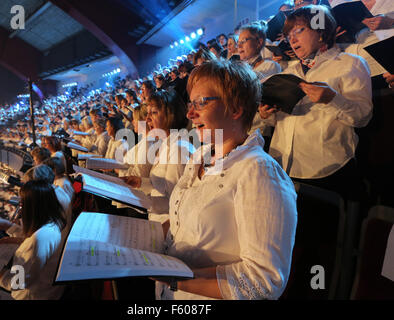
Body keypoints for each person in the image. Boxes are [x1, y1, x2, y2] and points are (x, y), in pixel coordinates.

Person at [154, 59, 297, 300]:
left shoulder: (259, 172)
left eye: (201, 102)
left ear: (235, 109)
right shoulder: (200, 156)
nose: (190, 113)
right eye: (191, 103)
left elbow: (264, 280)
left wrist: (173, 278)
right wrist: (141, 241)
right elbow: (182, 222)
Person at [259, 5, 373, 200]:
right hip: (281, 169)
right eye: (288, 35)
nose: (292, 40)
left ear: (321, 31)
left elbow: (363, 117)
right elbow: (276, 122)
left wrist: (332, 99)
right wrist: (266, 115)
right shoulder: (288, 73)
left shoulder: (349, 63)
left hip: (326, 169)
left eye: (299, 31)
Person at [121, 90, 193, 223]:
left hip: (168, 227)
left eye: (153, 113)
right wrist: (142, 183)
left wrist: (138, 201)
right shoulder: (167, 143)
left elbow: (177, 202)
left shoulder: (177, 148)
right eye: (147, 113)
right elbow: (164, 188)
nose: (147, 119)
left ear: (171, 115)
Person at [0, 180, 67, 300]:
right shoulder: (54, 222)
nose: (20, 209)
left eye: (22, 204)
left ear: (32, 208)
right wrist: (18, 239)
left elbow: (18, 282)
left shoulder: (38, 240)